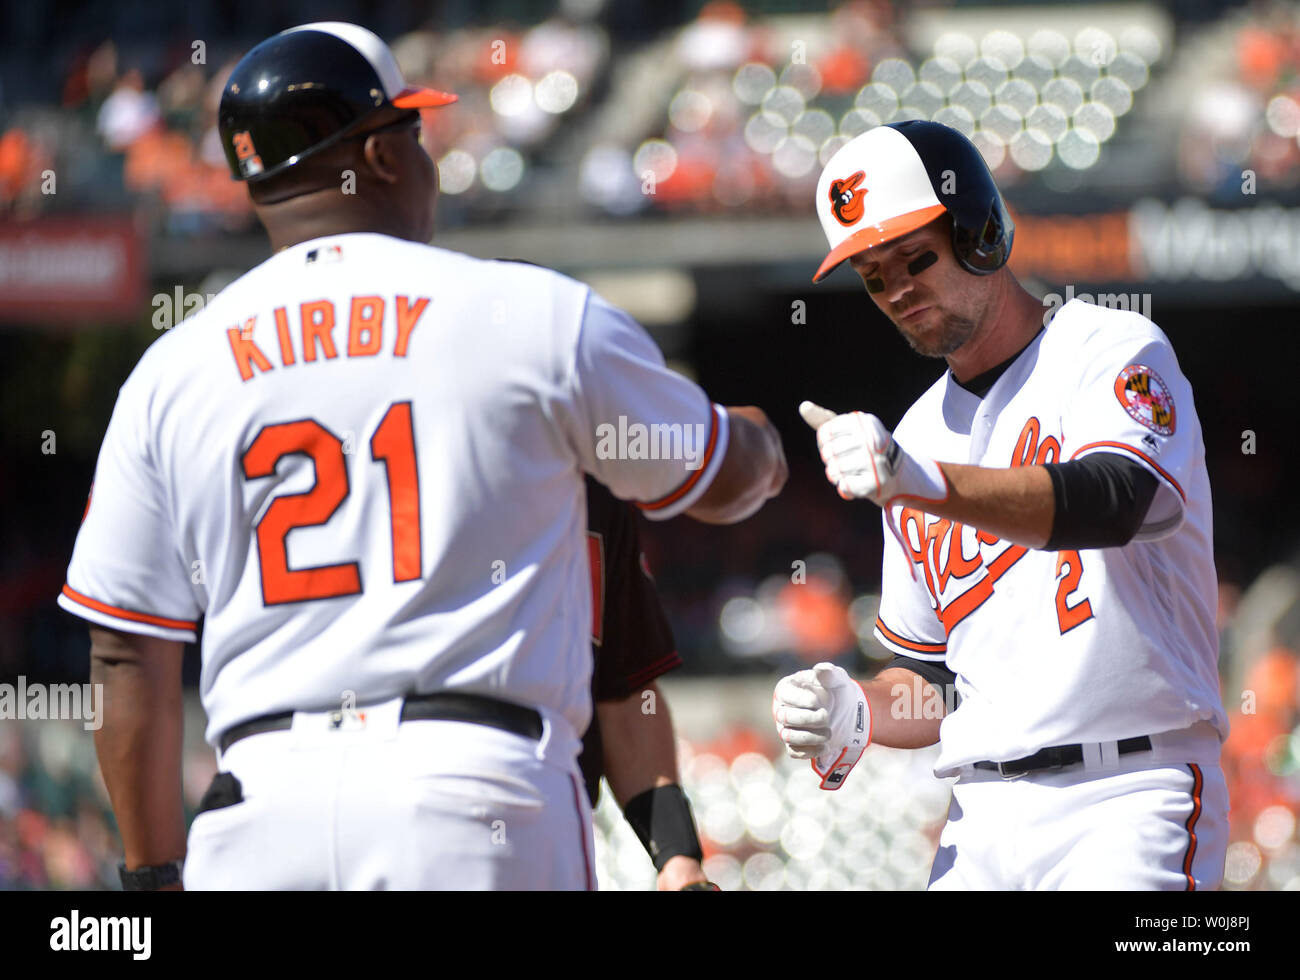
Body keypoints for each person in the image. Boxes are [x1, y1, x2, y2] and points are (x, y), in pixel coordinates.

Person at [58, 22, 785, 891]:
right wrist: (757, 437)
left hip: (254, 812)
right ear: (386, 155)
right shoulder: (531, 315)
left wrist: (150, 877)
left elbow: (125, 653)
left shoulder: (171, 369)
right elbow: (723, 477)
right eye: (415, 131)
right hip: (471, 791)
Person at [772, 121, 1228, 890]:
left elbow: (1114, 499)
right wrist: (857, 707)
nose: (898, 290)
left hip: (1127, 793)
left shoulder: (1109, 347)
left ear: (981, 232)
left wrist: (921, 483)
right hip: (980, 816)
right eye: (874, 276)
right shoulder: (913, 435)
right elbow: (931, 680)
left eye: (916, 257)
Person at [579, 476, 713, 890]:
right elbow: (742, 465)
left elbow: (625, 696)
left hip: (553, 829)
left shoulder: (593, 494)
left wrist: (677, 858)